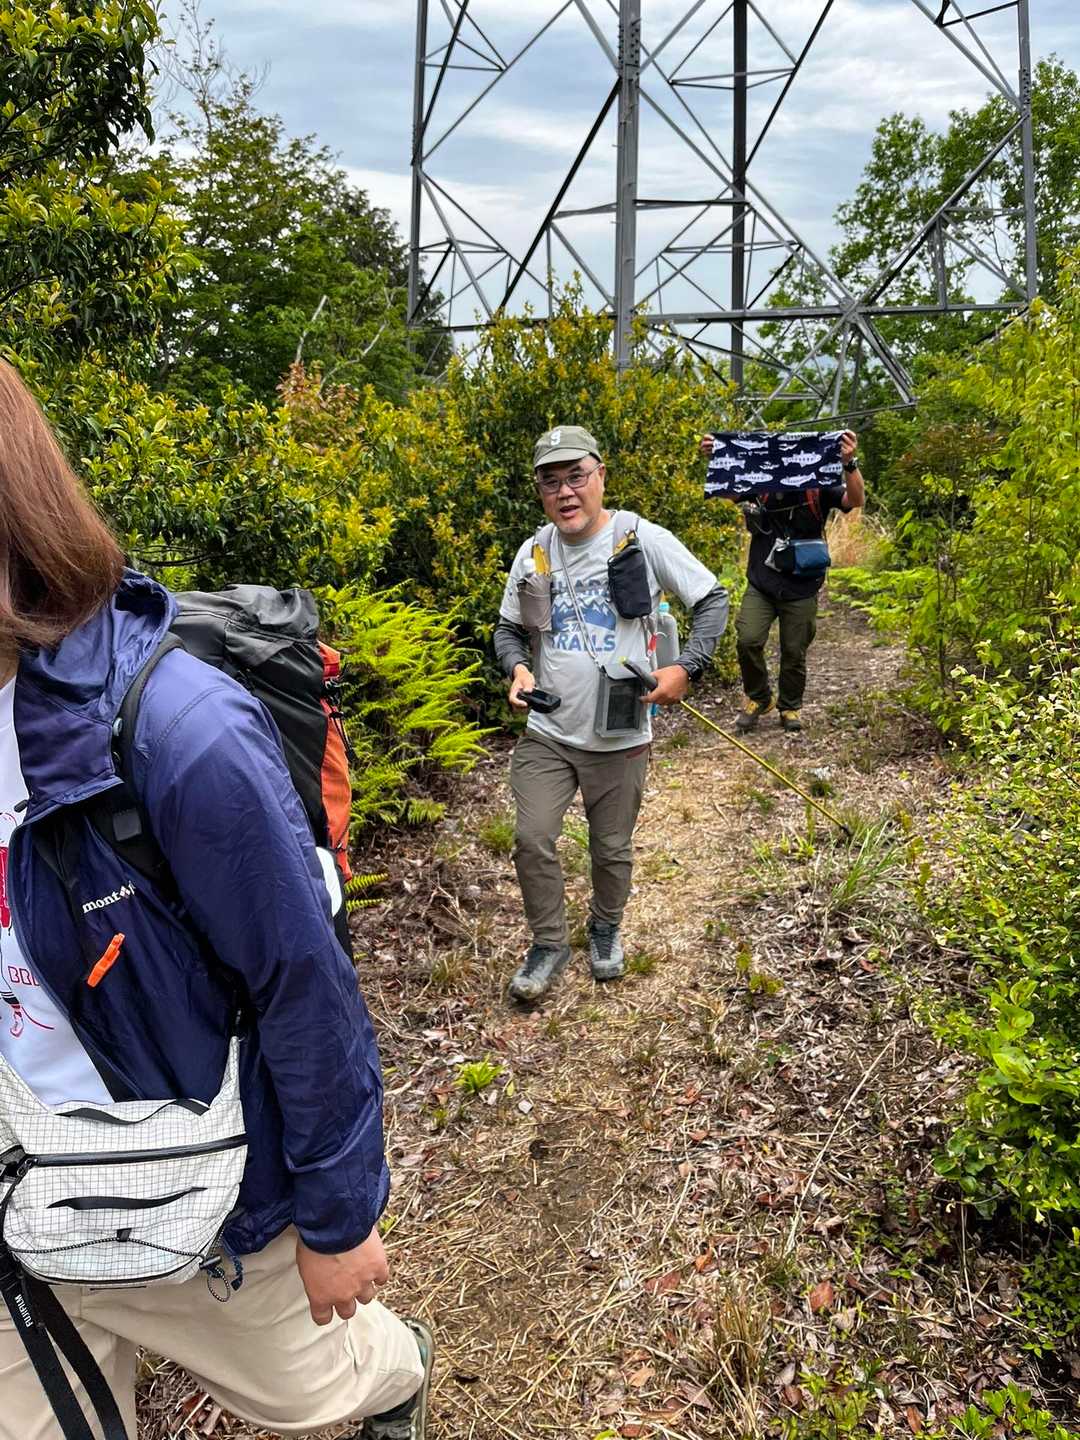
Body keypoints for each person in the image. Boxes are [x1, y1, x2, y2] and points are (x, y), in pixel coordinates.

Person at [0, 361, 432, 1440]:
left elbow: (300, 976)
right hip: (19, 1200)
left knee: (314, 1390)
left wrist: (338, 1216)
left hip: (188, 1182)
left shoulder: (180, 733)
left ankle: (398, 1368)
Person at [494, 425, 729, 1004]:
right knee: (531, 838)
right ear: (540, 491)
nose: (565, 491)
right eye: (551, 481)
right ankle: (549, 943)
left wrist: (687, 669)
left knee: (612, 847)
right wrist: (518, 670)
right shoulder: (533, 551)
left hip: (619, 731)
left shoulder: (640, 539)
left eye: (576, 476)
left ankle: (605, 927)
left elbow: (712, 599)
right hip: (548, 731)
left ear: (600, 475)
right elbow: (507, 629)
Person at [702, 428, 865, 734]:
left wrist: (849, 463)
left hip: (802, 583)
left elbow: (854, 500)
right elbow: (731, 492)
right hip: (762, 581)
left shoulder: (818, 481)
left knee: (794, 650)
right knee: (748, 640)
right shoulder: (762, 479)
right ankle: (759, 697)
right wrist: (720, 455)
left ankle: (790, 706)